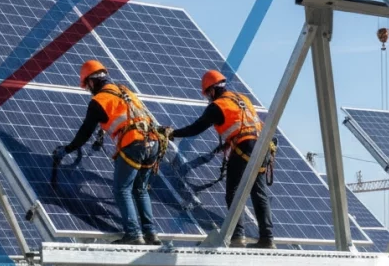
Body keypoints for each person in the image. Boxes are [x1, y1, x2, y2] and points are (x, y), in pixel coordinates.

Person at [53, 60, 162, 246]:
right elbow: (125, 114)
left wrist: (67, 149)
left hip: (133, 143)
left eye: (87, 85)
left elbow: (85, 132)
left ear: (92, 81)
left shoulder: (98, 101)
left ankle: (134, 235)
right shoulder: (124, 90)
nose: (88, 90)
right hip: (153, 141)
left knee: (122, 190)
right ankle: (150, 234)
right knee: (141, 189)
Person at [165, 70, 275, 249]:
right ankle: (267, 238)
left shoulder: (218, 106)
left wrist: (173, 133)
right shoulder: (242, 99)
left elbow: (196, 128)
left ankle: (238, 235)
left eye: (208, 94)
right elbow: (246, 125)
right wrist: (229, 141)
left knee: (234, 192)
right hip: (263, 148)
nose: (208, 98)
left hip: (244, 148)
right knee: (259, 193)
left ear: (212, 90)